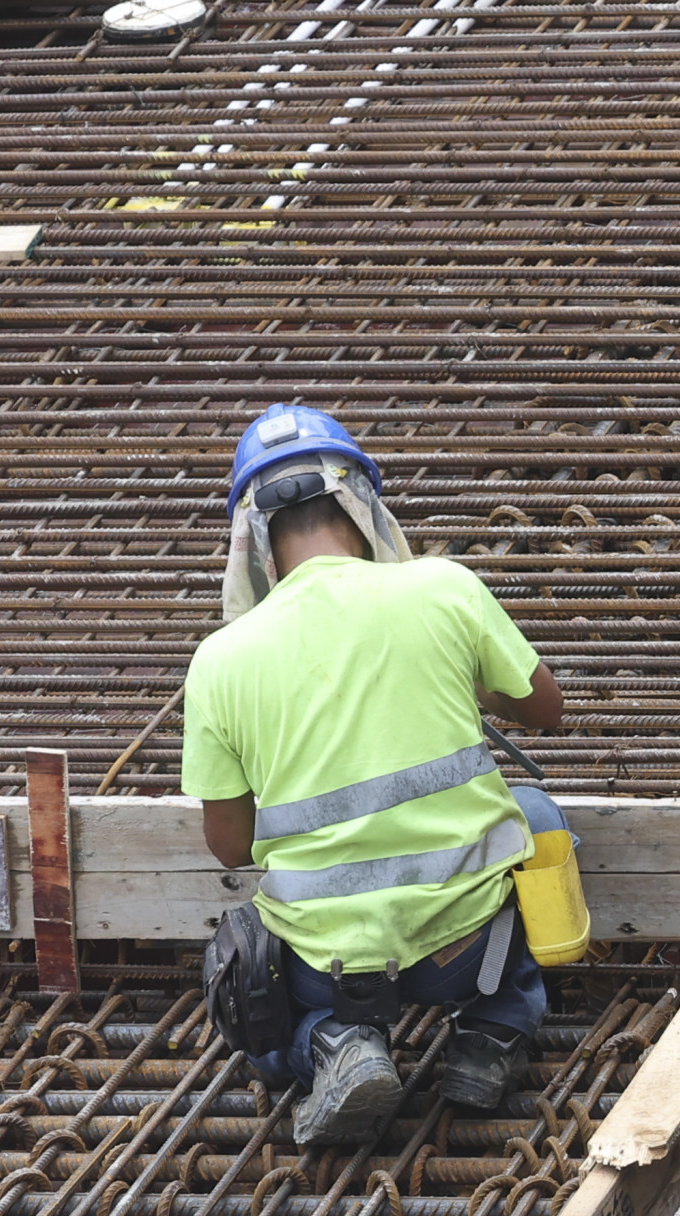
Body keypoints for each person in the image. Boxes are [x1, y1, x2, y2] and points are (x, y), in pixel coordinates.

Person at [182, 403, 568, 1149]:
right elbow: (546, 709)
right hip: (466, 952)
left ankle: (336, 1045)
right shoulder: (442, 589)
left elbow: (230, 848)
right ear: (362, 501)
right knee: (535, 815)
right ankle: (490, 1034)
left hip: (327, 971)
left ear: (251, 538)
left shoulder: (219, 661)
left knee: (258, 1030)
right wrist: (461, 671)